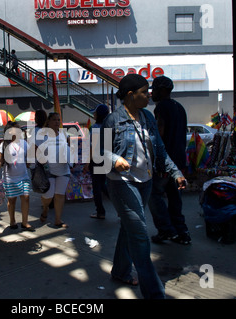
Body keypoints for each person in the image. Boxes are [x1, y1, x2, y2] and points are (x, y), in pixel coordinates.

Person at [100, 74, 187, 299]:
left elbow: (160, 149)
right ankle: (154, 294)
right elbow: (98, 152)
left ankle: (120, 271)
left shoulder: (148, 117)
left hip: (145, 183)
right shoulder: (113, 120)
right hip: (122, 184)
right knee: (139, 234)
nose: (149, 95)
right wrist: (114, 159)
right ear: (130, 95)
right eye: (144, 92)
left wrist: (175, 172)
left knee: (128, 229)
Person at [148, 76, 191, 245]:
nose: (152, 93)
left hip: (165, 161)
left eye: (155, 89)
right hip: (179, 161)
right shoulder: (179, 107)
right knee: (175, 197)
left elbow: (160, 133)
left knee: (154, 194)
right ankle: (182, 232)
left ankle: (166, 230)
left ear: (163, 90)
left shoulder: (162, 108)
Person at [0, 121, 34, 231]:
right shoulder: (3, 145)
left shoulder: (24, 143)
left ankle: (25, 222)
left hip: (23, 176)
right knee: (12, 200)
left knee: (26, 197)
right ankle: (12, 220)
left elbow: (29, 157)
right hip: (9, 178)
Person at [36, 112, 72, 228]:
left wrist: (69, 158)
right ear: (49, 122)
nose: (57, 122)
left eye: (58, 120)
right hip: (49, 170)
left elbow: (69, 148)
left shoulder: (64, 134)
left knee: (59, 195)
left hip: (64, 169)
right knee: (49, 195)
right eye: (54, 120)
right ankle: (45, 208)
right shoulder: (43, 136)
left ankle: (58, 219)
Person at [87, 104, 110, 219]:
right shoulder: (109, 127)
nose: (93, 115)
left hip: (96, 160)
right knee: (103, 184)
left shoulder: (95, 128)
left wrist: (87, 163)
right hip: (107, 159)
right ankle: (121, 208)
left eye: (95, 113)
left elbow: (92, 147)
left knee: (97, 186)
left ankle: (100, 211)